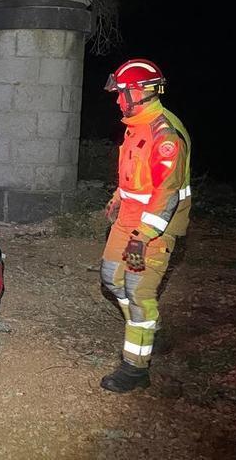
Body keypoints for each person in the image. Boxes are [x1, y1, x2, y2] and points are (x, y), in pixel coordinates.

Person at [99, 59, 192, 392]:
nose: (117, 100)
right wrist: (118, 196)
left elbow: (165, 197)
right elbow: (137, 178)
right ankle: (149, 327)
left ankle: (136, 367)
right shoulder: (136, 124)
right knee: (111, 278)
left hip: (153, 229)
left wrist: (142, 238)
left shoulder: (166, 136)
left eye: (121, 93)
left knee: (139, 294)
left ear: (139, 92)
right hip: (128, 220)